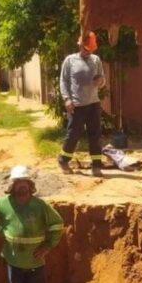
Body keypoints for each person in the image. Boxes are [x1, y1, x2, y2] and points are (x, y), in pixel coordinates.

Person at [58, 31, 106, 176]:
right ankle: (63, 160)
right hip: (76, 105)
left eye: (91, 49)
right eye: (86, 49)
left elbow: (103, 80)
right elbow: (63, 81)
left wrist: (100, 82)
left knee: (95, 135)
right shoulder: (70, 61)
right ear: (80, 46)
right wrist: (67, 99)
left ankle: (96, 165)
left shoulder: (96, 60)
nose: (88, 52)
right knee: (73, 133)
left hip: (93, 103)